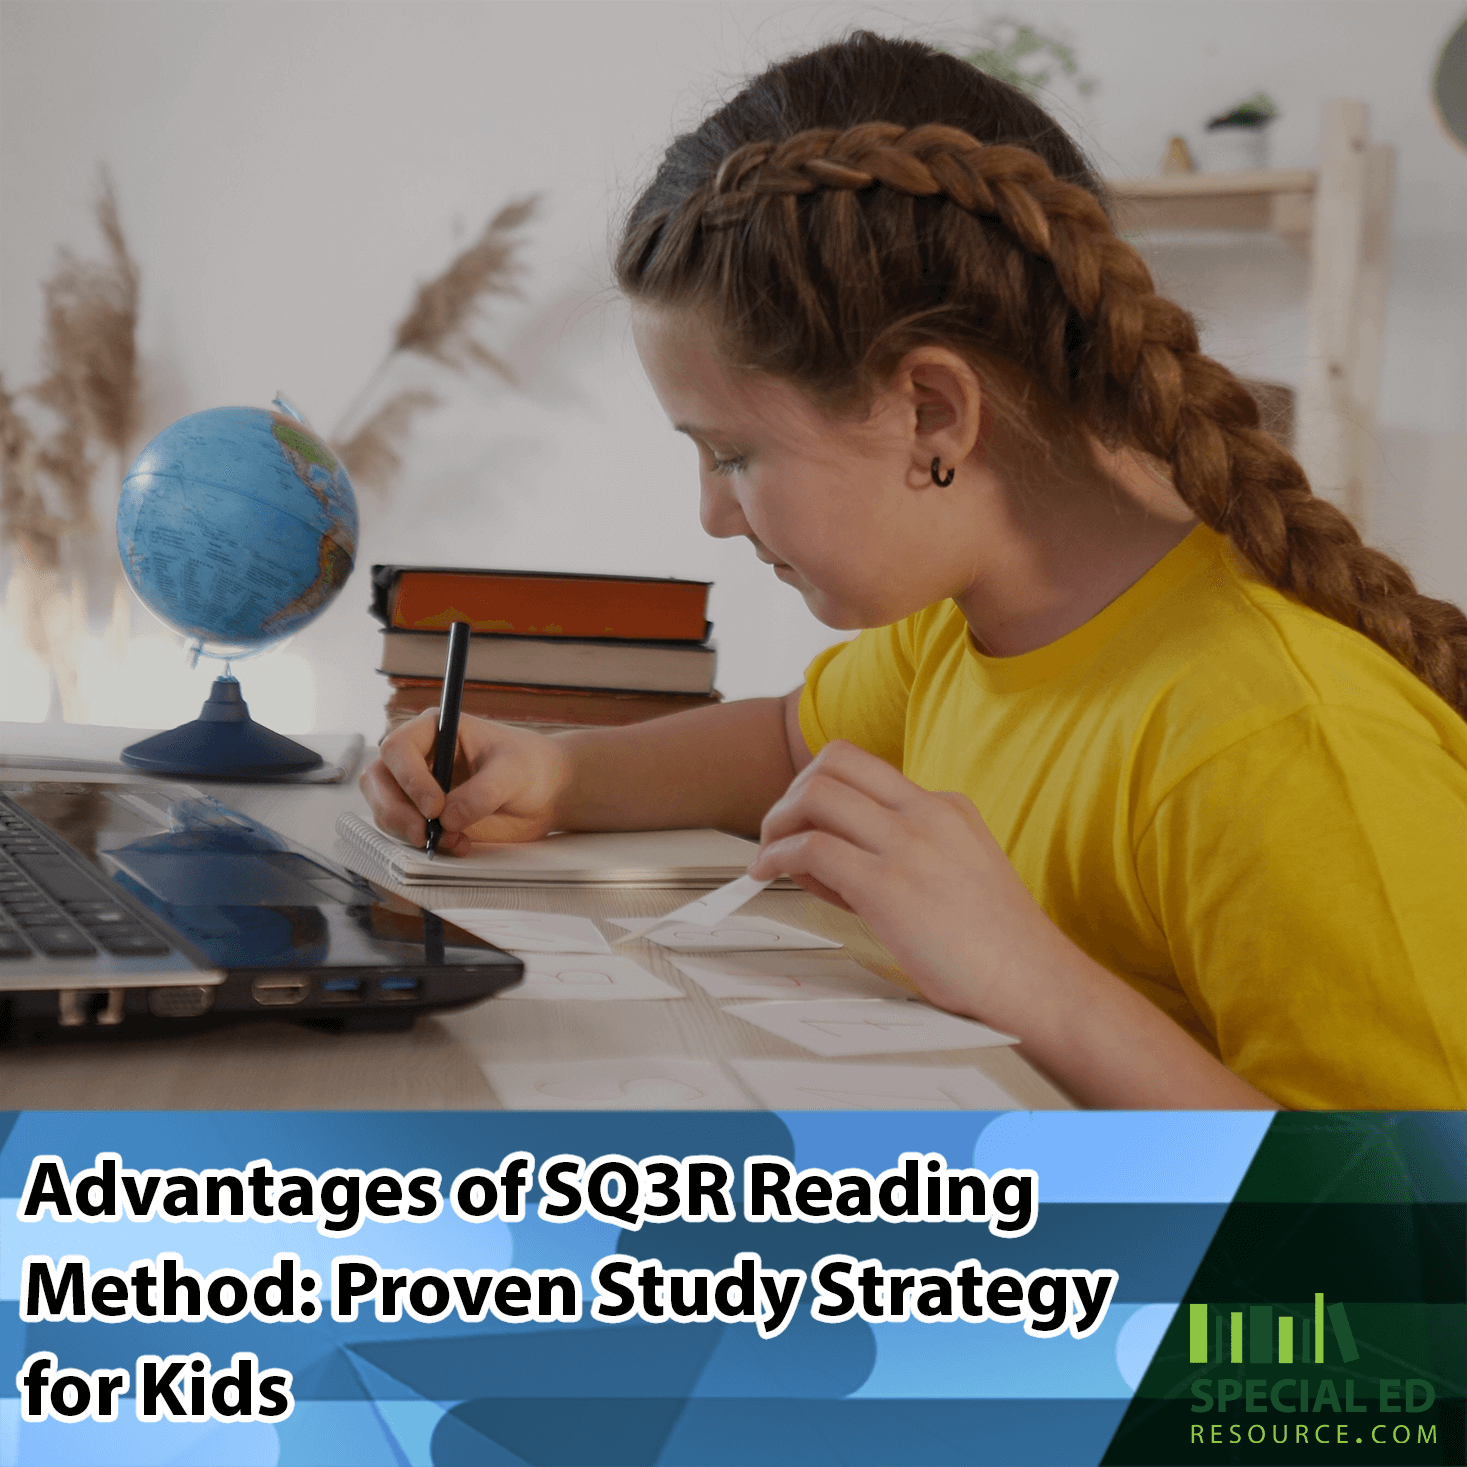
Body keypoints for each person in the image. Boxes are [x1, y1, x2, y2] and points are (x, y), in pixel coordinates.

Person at [363, 32, 1467, 1109]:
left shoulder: (1281, 740)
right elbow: (787, 743)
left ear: (931, 413)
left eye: (734, 454)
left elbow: (1412, 1267)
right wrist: (561, 777)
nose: (710, 513)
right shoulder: (972, 626)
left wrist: (1028, 978)